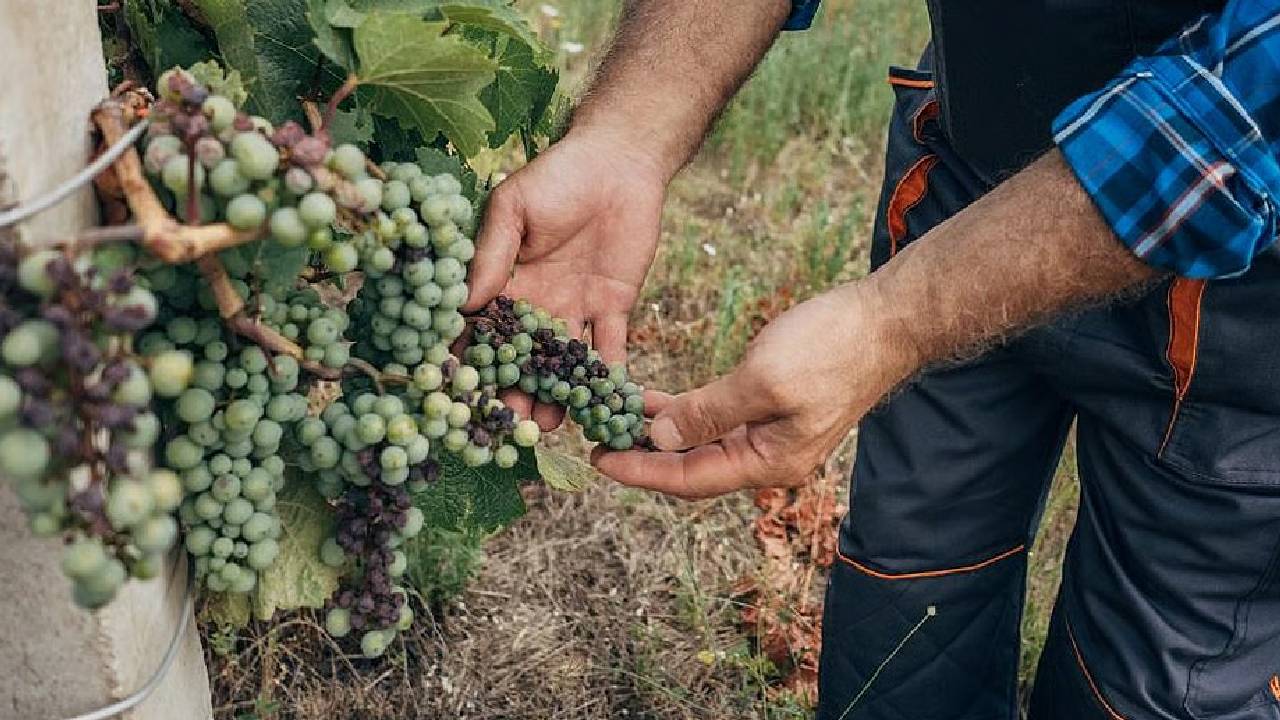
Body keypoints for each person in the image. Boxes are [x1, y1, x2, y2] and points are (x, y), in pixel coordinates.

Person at [465, 0, 1280, 717]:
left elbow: (1241, 107)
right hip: (971, 166)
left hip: (1244, 296)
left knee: (1158, 690)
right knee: (902, 611)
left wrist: (893, 319)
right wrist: (628, 135)